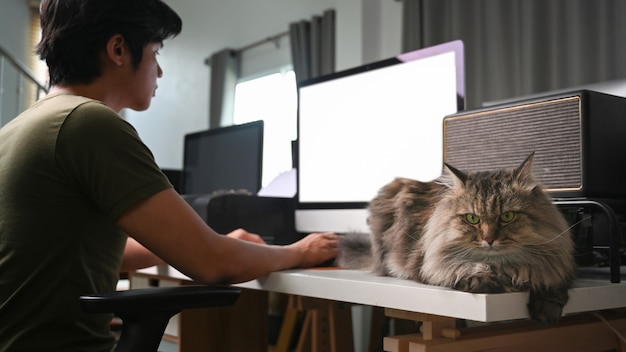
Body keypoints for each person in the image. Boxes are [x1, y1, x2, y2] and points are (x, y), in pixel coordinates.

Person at [0, 1, 339, 351]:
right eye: (155, 52)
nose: (159, 71)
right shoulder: (87, 123)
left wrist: (185, 242)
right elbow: (213, 264)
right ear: (118, 49)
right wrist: (298, 251)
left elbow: (91, 254)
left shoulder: (21, 127)